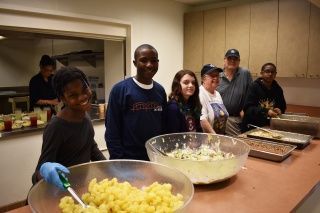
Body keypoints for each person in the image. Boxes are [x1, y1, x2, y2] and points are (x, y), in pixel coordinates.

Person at [32, 66, 106, 189]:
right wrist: (45, 171)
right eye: (73, 95)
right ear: (62, 98)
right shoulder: (56, 127)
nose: (82, 97)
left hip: (77, 188)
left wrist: (111, 168)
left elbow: (91, 148)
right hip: (58, 193)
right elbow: (37, 175)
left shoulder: (85, 117)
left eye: (84, 90)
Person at [105, 44, 167, 160]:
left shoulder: (160, 91)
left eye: (154, 61)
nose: (149, 65)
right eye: (143, 60)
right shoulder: (120, 90)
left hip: (154, 158)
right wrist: (119, 160)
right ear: (135, 63)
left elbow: (163, 126)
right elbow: (111, 131)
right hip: (128, 160)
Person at [241, 63, 286, 132]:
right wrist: (266, 111)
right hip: (251, 126)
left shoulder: (278, 89)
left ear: (275, 74)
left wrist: (280, 110)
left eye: (272, 72)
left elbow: (283, 106)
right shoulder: (253, 87)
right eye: (267, 71)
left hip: (269, 126)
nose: (270, 74)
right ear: (261, 73)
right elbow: (248, 108)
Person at [217, 49, 252, 136]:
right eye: (229, 58)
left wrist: (245, 109)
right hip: (218, 119)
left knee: (237, 144)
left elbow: (251, 94)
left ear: (239, 61)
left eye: (235, 59)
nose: (232, 61)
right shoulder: (217, 75)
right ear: (224, 60)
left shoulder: (245, 74)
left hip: (236, 119)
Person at [199, 64, 229, 134]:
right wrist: (215, 136)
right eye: (212, 75)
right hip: (207, 139)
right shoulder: (200, 93)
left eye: (217, 75)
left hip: (220, 136)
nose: (216, 78)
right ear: (203, 78)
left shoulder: (217, 94)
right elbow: (203, 120)